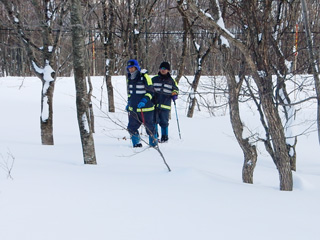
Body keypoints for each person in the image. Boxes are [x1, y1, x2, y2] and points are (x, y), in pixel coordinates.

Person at [125, 59, 157, 147]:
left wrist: (144, 100)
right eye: (129, 68)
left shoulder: (145, 77)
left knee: (150, 128)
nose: (131, 70)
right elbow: (130, 93)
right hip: (134, 109)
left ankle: (153, 144)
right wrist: (129, 103)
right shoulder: (129, 78)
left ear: (137, 67)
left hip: (146, 108)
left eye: (133, 68)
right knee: (131, 127)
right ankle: (136, 144)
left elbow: (151, 92)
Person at [152, 62, 179, 142]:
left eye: (165, 69)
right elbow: (148, 88)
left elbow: (176, 89)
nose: (163, 70)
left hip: (165, 104)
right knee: (154, 120)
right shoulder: (154, 79)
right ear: (159, 69)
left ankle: (165, 136)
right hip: (154, 104)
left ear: (168, 70)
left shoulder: (172, 81)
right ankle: (155, 136)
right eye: (162, 68)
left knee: (164, 121)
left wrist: (174, 94)